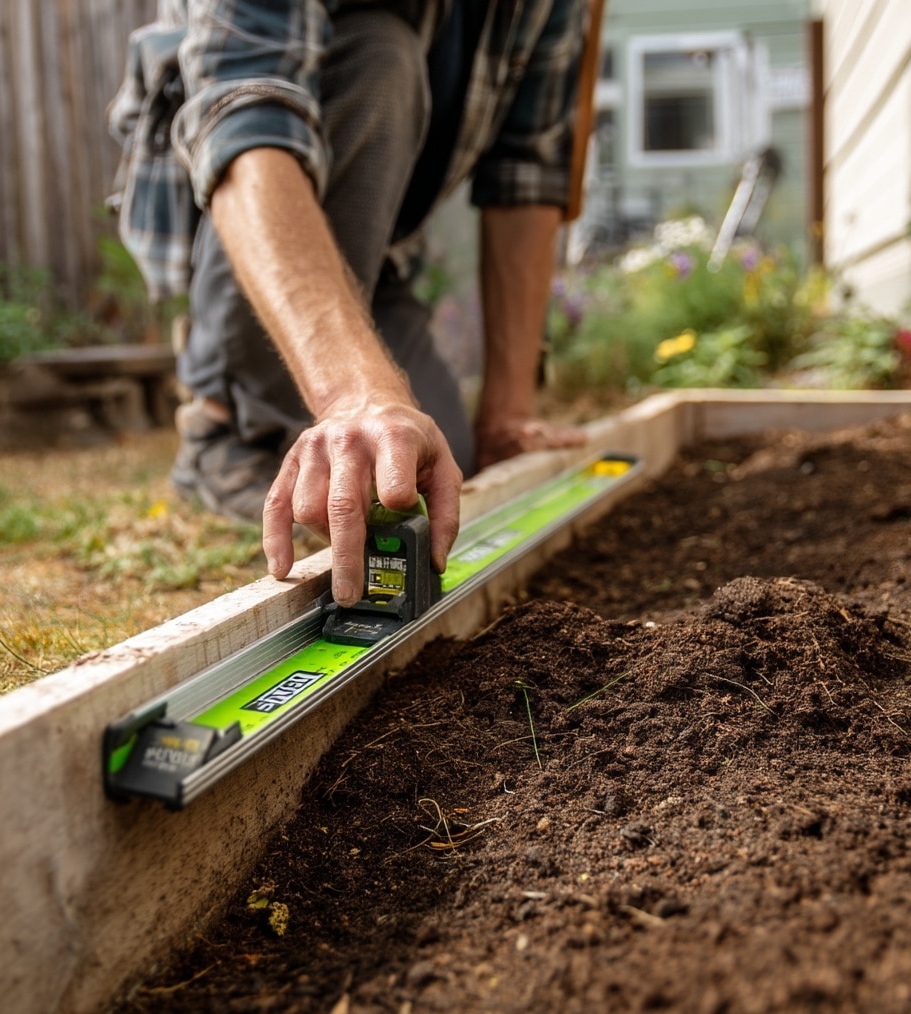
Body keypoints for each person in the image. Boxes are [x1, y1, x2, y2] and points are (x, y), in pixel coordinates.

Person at [109, 0, 590, 608]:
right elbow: (246, 118)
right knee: (379, 54)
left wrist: (507, 415)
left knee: (425, 474)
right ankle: (223, 421)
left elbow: (526, 173)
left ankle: (298, 412)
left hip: (378, 250)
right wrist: (355, 395)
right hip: (245, 220)